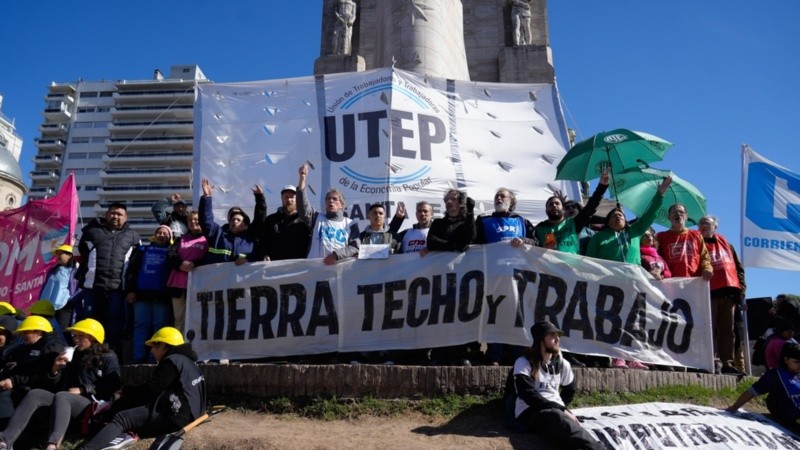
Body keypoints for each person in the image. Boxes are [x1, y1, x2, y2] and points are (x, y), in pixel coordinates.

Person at [0, 319, 120, 450]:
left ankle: (53, 445)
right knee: (36, 393)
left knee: (63, 396)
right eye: (74, 335)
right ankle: (5, 441)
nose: (75, 339)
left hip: (91, 405)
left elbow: (113, 384)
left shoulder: (108, 356)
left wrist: (82, 389)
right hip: (64, 401)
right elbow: (55, 384)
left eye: (80, 336)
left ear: (93, 337)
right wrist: (55, 369)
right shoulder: (73, 354)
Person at [80, 327, 206, 450]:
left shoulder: (171, 361)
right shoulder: (188, 361)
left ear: (162, 345)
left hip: (178, 417)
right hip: (195, 413)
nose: (151, 351)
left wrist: (126, 391)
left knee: (122, 418)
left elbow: (151, 390)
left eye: (153, 346)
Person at [512, 321, 603, 449]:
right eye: (552, 335)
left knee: (569, 440)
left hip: (556, 413)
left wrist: (561, 407)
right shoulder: (523, 362)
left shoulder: (562, 363)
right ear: (541, 339)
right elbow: (528, 394)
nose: (558, 338)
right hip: (530, 412)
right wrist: (561, 409)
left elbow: (570, 390)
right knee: (557, 418)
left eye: (558, 335)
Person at [475, 188, 536, 366]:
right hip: (493, 276)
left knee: (517, 316)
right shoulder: (484, 221)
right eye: (497, 196)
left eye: (503, 196)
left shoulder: (522, 222)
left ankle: (516, 355)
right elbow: (475, 243)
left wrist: (524, 241)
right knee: (495, 314)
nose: (499, 198)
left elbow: (536, 242)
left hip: (519, 277)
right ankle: (495, 355)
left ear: (512, 201)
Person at [75, 203, 141, 357]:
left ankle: (109, 356)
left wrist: (131, 288)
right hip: (91, 287)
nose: (115, 216)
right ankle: (85, 355)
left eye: (119, 214)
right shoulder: (91, 231)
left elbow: (135, 266)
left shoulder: (133, 237)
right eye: (112, 213)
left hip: (117, 288)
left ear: (126, 218)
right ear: (106, 214)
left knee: (114, 324)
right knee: (88, 321)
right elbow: (80, 252)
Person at [426, 188, 477, 366]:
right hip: (441, 275)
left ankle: (462, 353)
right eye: (446, 199)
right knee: (441, 313)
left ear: (461, 203)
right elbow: (431, 241)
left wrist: (470, 213)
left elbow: (469, 238)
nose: (449, 202)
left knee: (461, 313)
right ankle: (440, 353)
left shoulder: (467, 222)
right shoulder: (438, 223)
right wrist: (453, 245)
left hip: (463, 275)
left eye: (453, 199)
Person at [697, 215, 746, 375]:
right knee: (709, 329)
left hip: (729, 293)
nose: (703, 225)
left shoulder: (728, 245)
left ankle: (727, 363)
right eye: (701, 223)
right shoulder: (696, 243)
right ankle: (711, 361)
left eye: (707, 223)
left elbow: (738, 268)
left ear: (715, 227)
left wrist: (741, 290)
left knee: (727, 331)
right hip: (708, 293)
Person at [586, 177, 670, 265]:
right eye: (614, 216)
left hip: (634, 275)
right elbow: (590, 261)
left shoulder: (635, 231)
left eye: (620, 215)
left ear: (625, 221)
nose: (617, 217)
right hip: (607, 277)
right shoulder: (598, 237)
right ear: (608, 222)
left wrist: (660, 194)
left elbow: (650, 213)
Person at [0, 317, 66, 425]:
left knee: (5, 397)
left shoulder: (53, 347)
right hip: (25, 387)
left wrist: (14, 381)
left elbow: (42, 374)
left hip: (41, 395)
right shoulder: (31, 346)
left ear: (38, 332)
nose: (22, 336)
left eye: (26, 332)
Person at [125, 225, 174, 364]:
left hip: (162, 296)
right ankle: (138, 356)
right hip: (142, 295)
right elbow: (132, 270)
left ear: (170, 237)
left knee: (159, 327)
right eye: (159, 232)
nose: (162, 235)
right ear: (154, 235)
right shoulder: (142, 250)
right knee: (140, 325)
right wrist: (131, 290)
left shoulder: (172, 252)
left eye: (165, 233)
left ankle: (155, 358)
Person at [726, 342, 800, 433]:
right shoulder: (775, 375)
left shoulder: (797, 376)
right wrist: (734, 407)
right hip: (794, 418)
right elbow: (752, 391)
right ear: (786, 360)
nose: (799, 365)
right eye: (796, 362)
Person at [534, 169, 609, 254]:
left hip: (571, 266)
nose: (554, 205)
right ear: (546, 210)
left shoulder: (574, 223)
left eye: (557, 203)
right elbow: (530, 245)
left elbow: (590, 207)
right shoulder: (539, 228)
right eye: (550, 204)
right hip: (548, 266)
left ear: (563, 209)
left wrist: (602, 186)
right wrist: (543, 249)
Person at [297, 164, 359, 265]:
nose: (331, 201)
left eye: (335, 199)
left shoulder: (350, 224)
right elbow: (302, 206)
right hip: (313, 271)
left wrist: (335, 255)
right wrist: (302, 179)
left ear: (342, 204)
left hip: (338, 271)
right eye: (328, 199)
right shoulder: (316, 218)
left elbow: (355, 246)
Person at [166, 211, 209, 333]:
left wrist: (195, 264)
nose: (193, 222)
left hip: (200, 285)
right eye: (190, 220)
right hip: (178, 286)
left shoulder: (208, 239)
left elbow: (209, 257)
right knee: (179, 319)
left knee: (198, 318)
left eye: (196, 219)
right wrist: (180, 264)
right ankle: (179, 348)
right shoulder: (181, 238)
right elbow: (170, 255)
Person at [198, 178, 256, 265]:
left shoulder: (251, 243)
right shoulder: (217, 234)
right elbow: (206, 221)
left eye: (238, 220)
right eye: (232, 219)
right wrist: (207, 198)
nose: (234, 221)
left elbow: (257, 259)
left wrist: (247, 260)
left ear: (245, 225)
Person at [251, 182, 310, 262]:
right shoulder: (271, 220)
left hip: (299, 269)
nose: (289, 200)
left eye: (292, 197)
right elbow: (263, 242)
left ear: (297, 199)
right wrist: (265, 254)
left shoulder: (305, 220)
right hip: (275, 270)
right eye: (286, 197)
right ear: (282, 198)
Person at [655, 204, 713, 281]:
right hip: (670, 283)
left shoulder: (697, 235)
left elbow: (704, 257)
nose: (678, 214)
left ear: (686, 216)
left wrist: (708, 268)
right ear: (669, 217)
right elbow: (656, 258)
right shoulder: (660, 237)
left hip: (694, 282)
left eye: (681, 212)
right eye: (674, 212)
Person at [38, 244, 79, 334]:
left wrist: (70, 301)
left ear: (70, 255)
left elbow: (79, 289)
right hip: (47, 306)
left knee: (61, 331)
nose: (58, 257)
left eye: (60, 253)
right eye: (57, 254)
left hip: (64, 306)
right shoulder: (53, 270)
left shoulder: (75, 271)